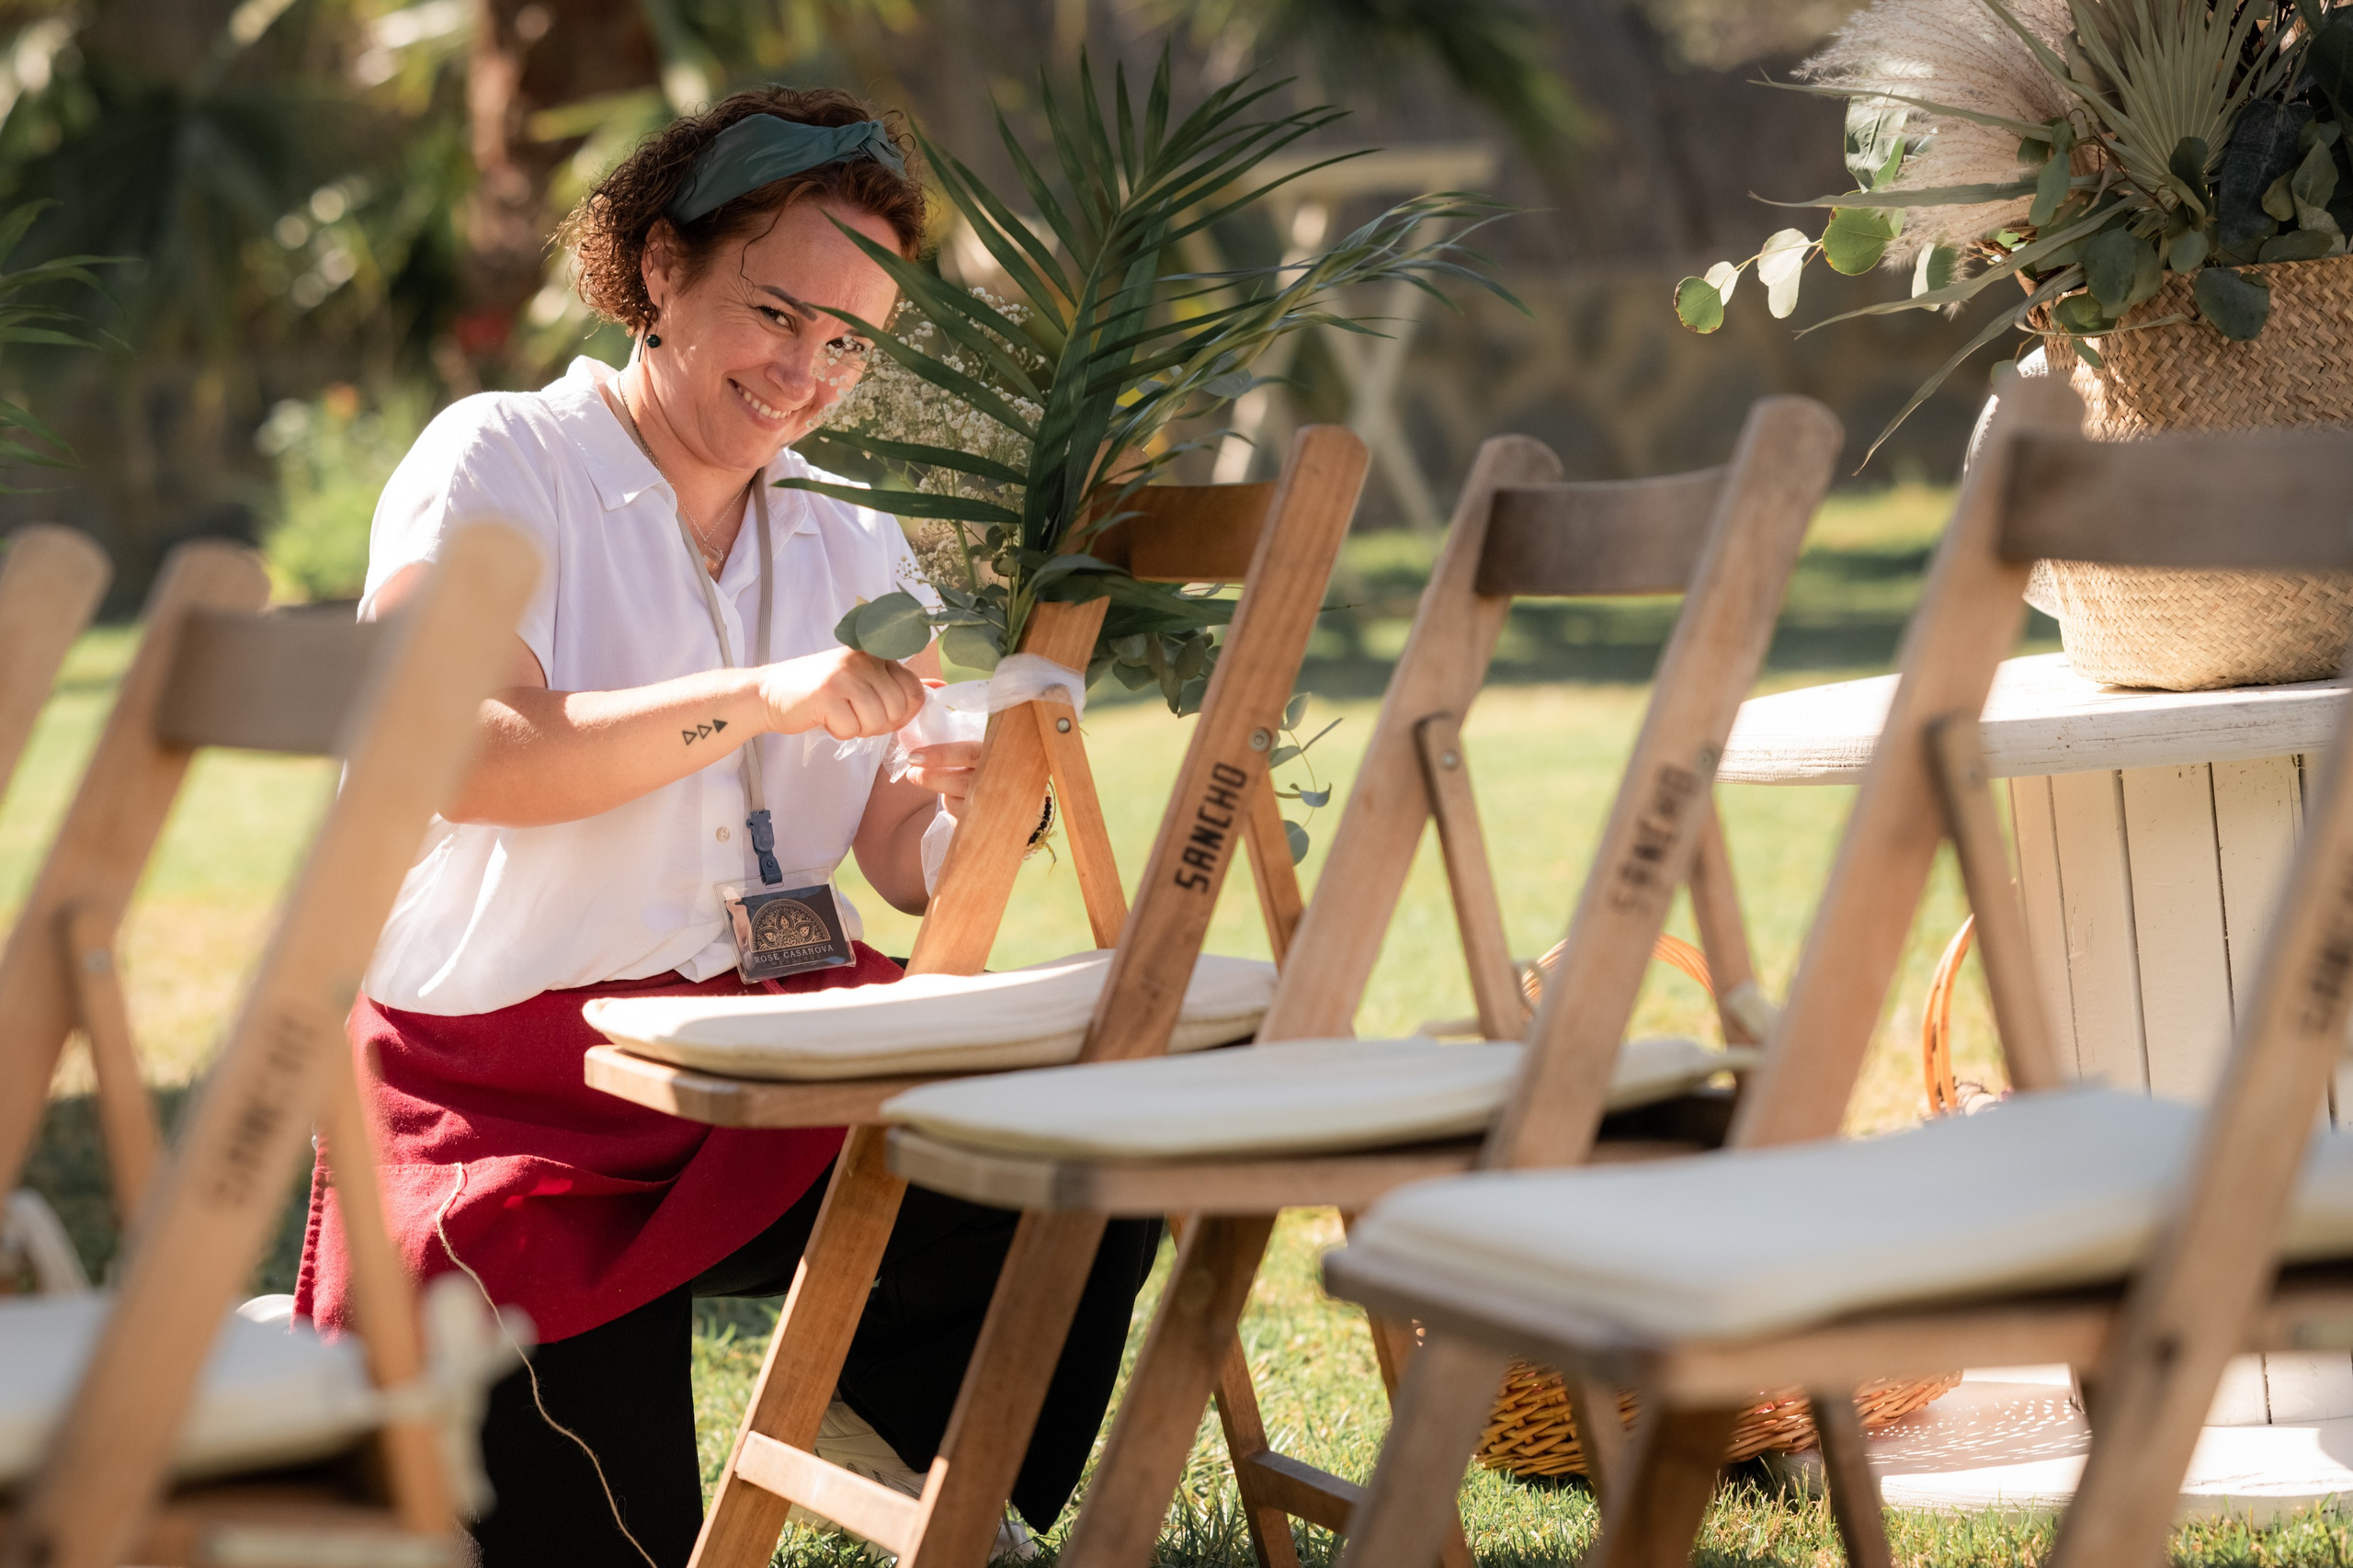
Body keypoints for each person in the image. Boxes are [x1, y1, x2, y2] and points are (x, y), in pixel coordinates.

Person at [290, 85, 1159, 1567]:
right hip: (516, 1090)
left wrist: (978, 804)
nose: (807, 371)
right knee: (604, 1543)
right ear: (661, 267)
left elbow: (898, 852)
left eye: (849, 342)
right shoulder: (498, 457)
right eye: (776, 312)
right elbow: (462, 757)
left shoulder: (847, 525)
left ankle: (890, 1437)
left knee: (1077, 1134)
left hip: (779, 1049)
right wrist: (759, 697)